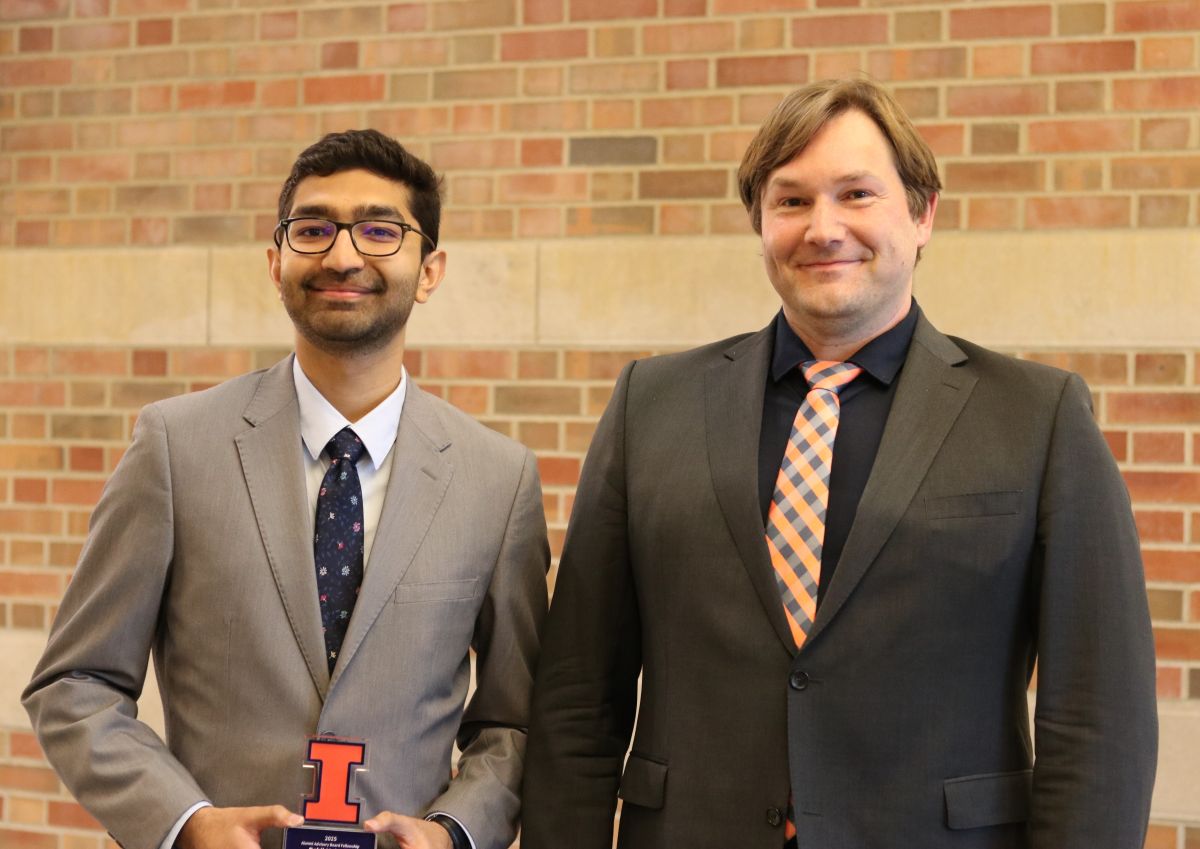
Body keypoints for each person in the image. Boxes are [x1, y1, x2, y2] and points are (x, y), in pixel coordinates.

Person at [521, 78, 1157, 849]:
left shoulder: (1038, 417)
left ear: (923, 214)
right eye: (791, 201)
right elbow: (576, 699)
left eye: (857, 194)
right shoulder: (647, 405)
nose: (823, 228)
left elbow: (1098, 716)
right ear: (759, 222)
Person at [23, 129, 549, 849]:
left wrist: (455, 831)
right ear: (276, 262)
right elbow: (75, 682)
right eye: (313, 229)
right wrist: (185, 822)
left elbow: (515, 721)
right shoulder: (176, 447)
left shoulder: (499, 479)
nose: (341, 254)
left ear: (430, 269)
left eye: (378, 229)